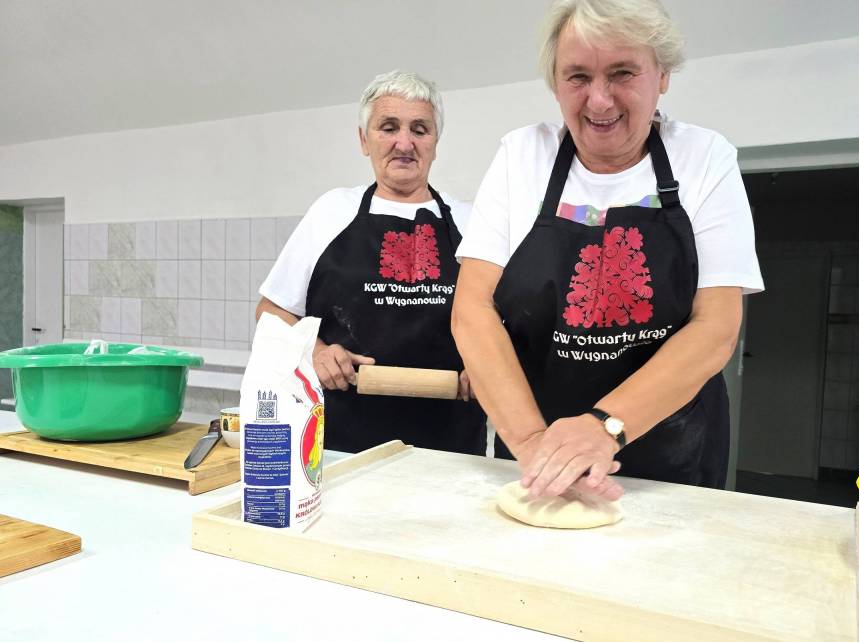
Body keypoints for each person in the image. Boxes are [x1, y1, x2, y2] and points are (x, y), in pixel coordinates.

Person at [452, 0, 764, 500]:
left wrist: (605, 426)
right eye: (577, 77)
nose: (599, 101)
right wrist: (531, 442)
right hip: (541, 457)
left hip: (672, 458)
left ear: (662, 75)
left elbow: (716, 326)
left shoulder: (704, 158)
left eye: (622, 73)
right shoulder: (522, 157)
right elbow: (473, 309)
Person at [258, 70, 486, 455]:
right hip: (340, 442)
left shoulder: (471, 221)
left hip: (451, 445)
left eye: (420, 129)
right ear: (364, 140)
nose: (404, 143)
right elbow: (271, 311)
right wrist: (314, 350)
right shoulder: (332, 212)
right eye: (388, 127)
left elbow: (504, 321)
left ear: (435, 142)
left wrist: (486, 367)